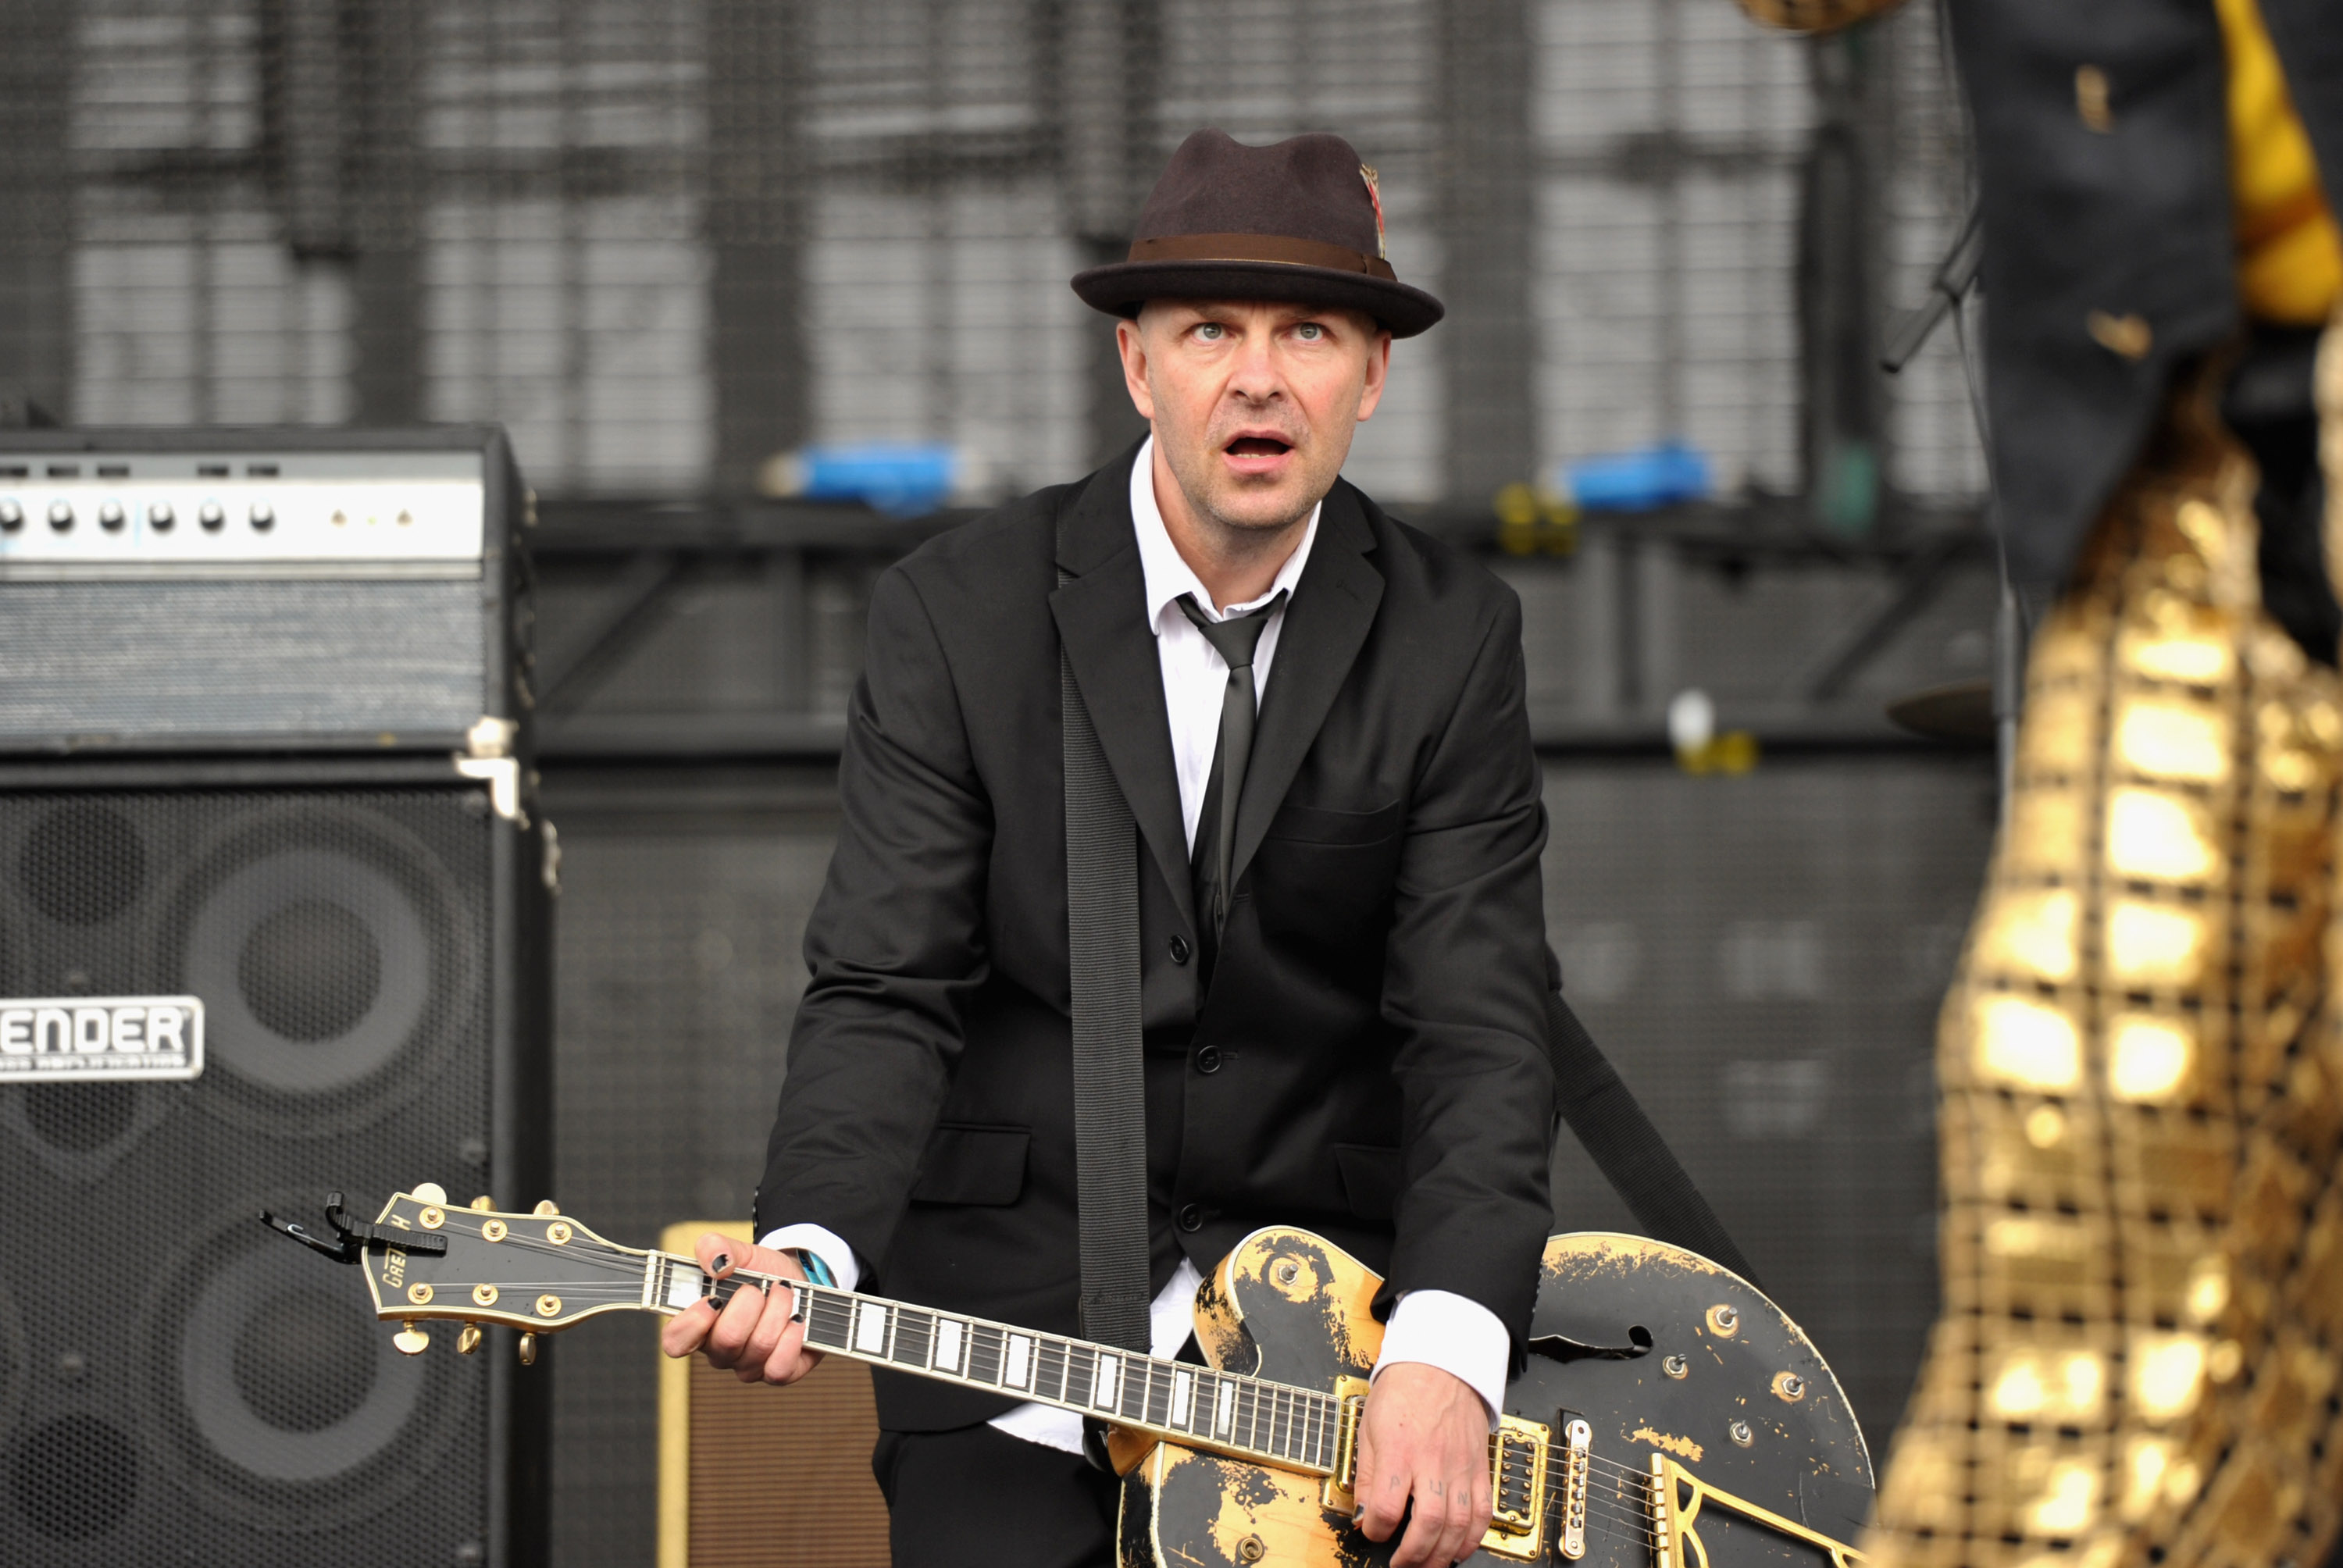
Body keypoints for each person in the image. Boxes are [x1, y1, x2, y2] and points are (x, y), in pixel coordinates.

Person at [659, 127, 1557, 1568]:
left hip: (1336, 1371)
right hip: (1010, 1343)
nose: (1258, 376)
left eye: (1310, 332)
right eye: (1210, 328)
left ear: (1372, 376)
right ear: (1138, 366)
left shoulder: (1452, 638)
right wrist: (811, 1244)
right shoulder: (958, 614)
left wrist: (1444, 1357)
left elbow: (1480, 1030)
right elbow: (887, 985)